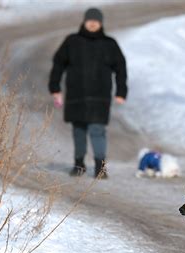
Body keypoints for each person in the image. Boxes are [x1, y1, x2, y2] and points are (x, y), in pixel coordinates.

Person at [48, 8, 127, 179]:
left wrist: (121, 90)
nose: (92, 23)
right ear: (84, 21)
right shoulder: (72, 41)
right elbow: (58, 64)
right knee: (79, 130)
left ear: (100, 23)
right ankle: (79, 164)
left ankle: (100, 167)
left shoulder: (109, 44)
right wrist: (55, 87)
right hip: (77, 95)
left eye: (96, 20)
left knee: (97, 130)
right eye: (90, 20)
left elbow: (121, 67)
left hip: (100, 97)